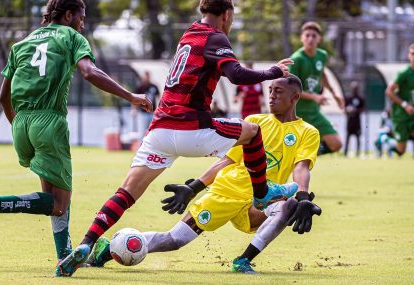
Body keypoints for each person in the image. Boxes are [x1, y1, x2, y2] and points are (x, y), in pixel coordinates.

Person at [57, 0, 295, 277]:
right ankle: (263, 193)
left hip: (159, 130)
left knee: (125, 193)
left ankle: (87, 243)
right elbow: (237, 75)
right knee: (253, 132)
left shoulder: (189, 34)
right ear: (227, 15)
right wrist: (273, 71)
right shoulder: (215, 36)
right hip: (191, 127)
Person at [0, 0, 152, 267]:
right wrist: (130, 96)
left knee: (51, 195)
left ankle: (64, 255)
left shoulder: (22, 43)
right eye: (82, 18)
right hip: (49, 122)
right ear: (68, 15)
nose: (82, 24)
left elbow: (2, 96)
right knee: (60, 203)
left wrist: (20, 127)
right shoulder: (71, 37)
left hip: (21, 123)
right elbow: (89, 72)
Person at [86, 75, 322, 274]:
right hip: (227, 191)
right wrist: (194, 187)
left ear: (295, 98)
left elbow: (300, 167)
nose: (271, 95)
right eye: (270, 90)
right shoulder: (254, 122)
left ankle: (243, 261)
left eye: (278, 91)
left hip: (259, 200)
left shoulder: (307, 132)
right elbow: (227, 160)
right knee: (174, 240)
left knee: (288, 205)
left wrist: (303, 197)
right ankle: (108, 249)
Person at [289, 21, 344, 155]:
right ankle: (298, 157)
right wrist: (314, 96)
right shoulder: (296, 59)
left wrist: (334, 93)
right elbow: (291, 90)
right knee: (286, 147)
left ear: (319, 39)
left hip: (314, 111)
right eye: (307, 35)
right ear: (302, 38)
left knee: (336, 144)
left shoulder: (322, 55)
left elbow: (322, 74)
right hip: (296, 114)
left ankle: (305, 155)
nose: (310, 39)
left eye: (314, 36)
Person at [376, 43, 414, 156]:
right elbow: (389, 91)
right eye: (412, 53)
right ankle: (383, 139)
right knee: (401, 150)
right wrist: (405, 105)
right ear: (409, 55)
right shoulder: (404, 73)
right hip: (401, 114)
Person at [132, 71, 160, 137]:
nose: (147, 78)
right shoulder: (140, 87)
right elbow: (134, 99)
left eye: (148, 76)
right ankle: (141, 146)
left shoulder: (154, 86)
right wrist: (134, 109)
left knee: (152, 131)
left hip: (152, 112)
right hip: (142, 112)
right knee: (141, 132)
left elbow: (158, 98)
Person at [344, 81, 365, 157]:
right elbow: (344, 108)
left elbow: (363, 108)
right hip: (350, 121)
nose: (355, 89)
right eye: (353, 88)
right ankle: (345, 153)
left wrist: (356, 110)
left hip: (357, 121)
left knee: (358, 137)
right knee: (348, 137)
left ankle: (358, 153)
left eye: (356, 88)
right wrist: (348, 110)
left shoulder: (360, 98)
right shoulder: (348, 98)